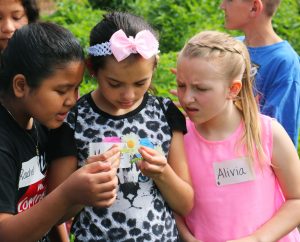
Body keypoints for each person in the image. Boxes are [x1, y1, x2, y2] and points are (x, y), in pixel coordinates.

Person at [47, 11, 194, 241]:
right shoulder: (74, 119)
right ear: (92, 69)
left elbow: (185, 204)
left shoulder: (165, 114)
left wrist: (163, 173)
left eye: (140, 83)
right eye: (114, 83)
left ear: (154, 68)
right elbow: (54, 213)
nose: (128, 94)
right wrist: (84, 188)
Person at [174, 30, 300, 241]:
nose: (187, 97)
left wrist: (256, 239)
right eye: (181, 85)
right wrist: (187, 237)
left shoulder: (268, 132)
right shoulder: (179, 138)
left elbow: (296, 199)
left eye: (200, 88)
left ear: (232, 89)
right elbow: (173, 201)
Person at [0, 22, 120, 242]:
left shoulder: (40, 124)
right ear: (20, 86)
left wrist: (82, 190)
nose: (72, 100)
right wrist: (67, 193)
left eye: (76, 88)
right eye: (61, 90)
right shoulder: (4, 142)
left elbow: (47, 213)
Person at [220, 0, 300, 148]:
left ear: (254, 7)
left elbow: (279, 137)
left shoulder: (285, 62)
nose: (222, 6)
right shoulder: (231, 47)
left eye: (229, 1)